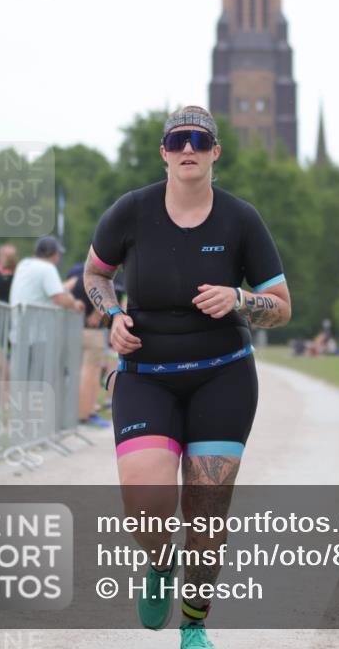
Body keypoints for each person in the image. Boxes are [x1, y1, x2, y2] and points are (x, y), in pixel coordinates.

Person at [83, 106, 291, 649]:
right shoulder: (132, 211)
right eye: (178, 140)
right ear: (165, 152)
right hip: (145, 373)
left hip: (222, 375)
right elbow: (94, 274)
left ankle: (194, 623)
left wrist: (241, 298)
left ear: (216, 151)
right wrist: (113, 316)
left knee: (206, 508)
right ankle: (159, 565)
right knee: (146, 499)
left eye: (200, 140)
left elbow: (282, 307)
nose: (188, 149)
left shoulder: (241, 219)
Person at [64, 262, 110, 428]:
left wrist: (71, 308)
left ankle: (74, 413)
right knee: (91, 373)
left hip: (74, 327)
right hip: (92, 331)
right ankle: (86, 414)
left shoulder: (74, 271)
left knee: (74, 372)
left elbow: (63, 289)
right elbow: (106, 295)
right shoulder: (101, 272)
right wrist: (97, 313)